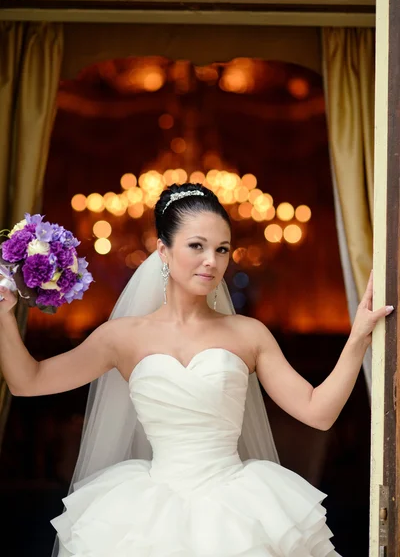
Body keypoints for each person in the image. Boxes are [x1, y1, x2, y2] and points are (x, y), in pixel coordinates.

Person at [0, 183, 393, 557]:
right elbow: (27, 381)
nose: (212, 261)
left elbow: (317, 412)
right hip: (149, 511)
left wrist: (358, 337)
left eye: (222, 249)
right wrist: (3, 316)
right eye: (197, 246)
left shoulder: (248, 334)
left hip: (237, 510)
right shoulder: (120, 338)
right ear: (163, 252)